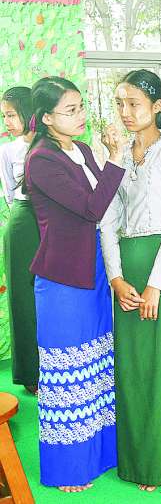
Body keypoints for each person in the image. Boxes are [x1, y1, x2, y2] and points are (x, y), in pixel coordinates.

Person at [24, 76, 125, 492]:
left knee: (97, 366)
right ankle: (68, 468)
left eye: (81, 106)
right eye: (70, 110)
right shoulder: (41, 160)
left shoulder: (80, 149)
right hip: (62, 278)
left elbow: (105, 202)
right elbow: (91, 207)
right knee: (67, 372)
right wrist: (115, 158)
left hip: (93, 269)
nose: (80, 115)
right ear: (47, 118)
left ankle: (101, 455)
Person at [99, 70, 161, 495]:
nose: (126, 112)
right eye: (120, 103)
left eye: (134, 103)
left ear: (157, 106)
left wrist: (157, 285)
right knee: (135, 368)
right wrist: (115, 277)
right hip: (127, 275)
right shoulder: (119, 156)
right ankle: (145, 463)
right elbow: (107, 221)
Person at [0, 87, 40, 394]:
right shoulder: (7, 151)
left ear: (29, 112)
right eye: (4, 116)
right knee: (23, 301)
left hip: (56, 228)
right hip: (22, 227)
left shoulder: (52, 145)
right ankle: (30, 373)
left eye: (11, 115)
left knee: (53, 298)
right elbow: (10, 194)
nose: (7, 122)